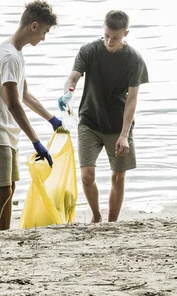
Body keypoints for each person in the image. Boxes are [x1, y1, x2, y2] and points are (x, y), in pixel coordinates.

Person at [0, 0, 62, 232]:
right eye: (44, 31)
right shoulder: (10, 56)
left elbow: (24, 94)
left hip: (6, 130)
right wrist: (36, 141)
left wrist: (51, 119)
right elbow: (13, 103)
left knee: (10, 188)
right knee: (2, 189)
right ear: (33, 26)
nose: (43, 38)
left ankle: (4, 235)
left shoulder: (14, 51)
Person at [59, 10, 148, 223]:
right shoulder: (89, 50)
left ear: (125, 33)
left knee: (118, 176)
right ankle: (96, 217)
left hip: (119, 125)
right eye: (106, 34)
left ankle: (112, 222)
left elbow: (132, 99)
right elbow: (73, 77)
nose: (109, 41)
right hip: (89, 121)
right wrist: (67, 93)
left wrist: (124, 135)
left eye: (115, 37)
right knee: (87, 176)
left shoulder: (134, 59)